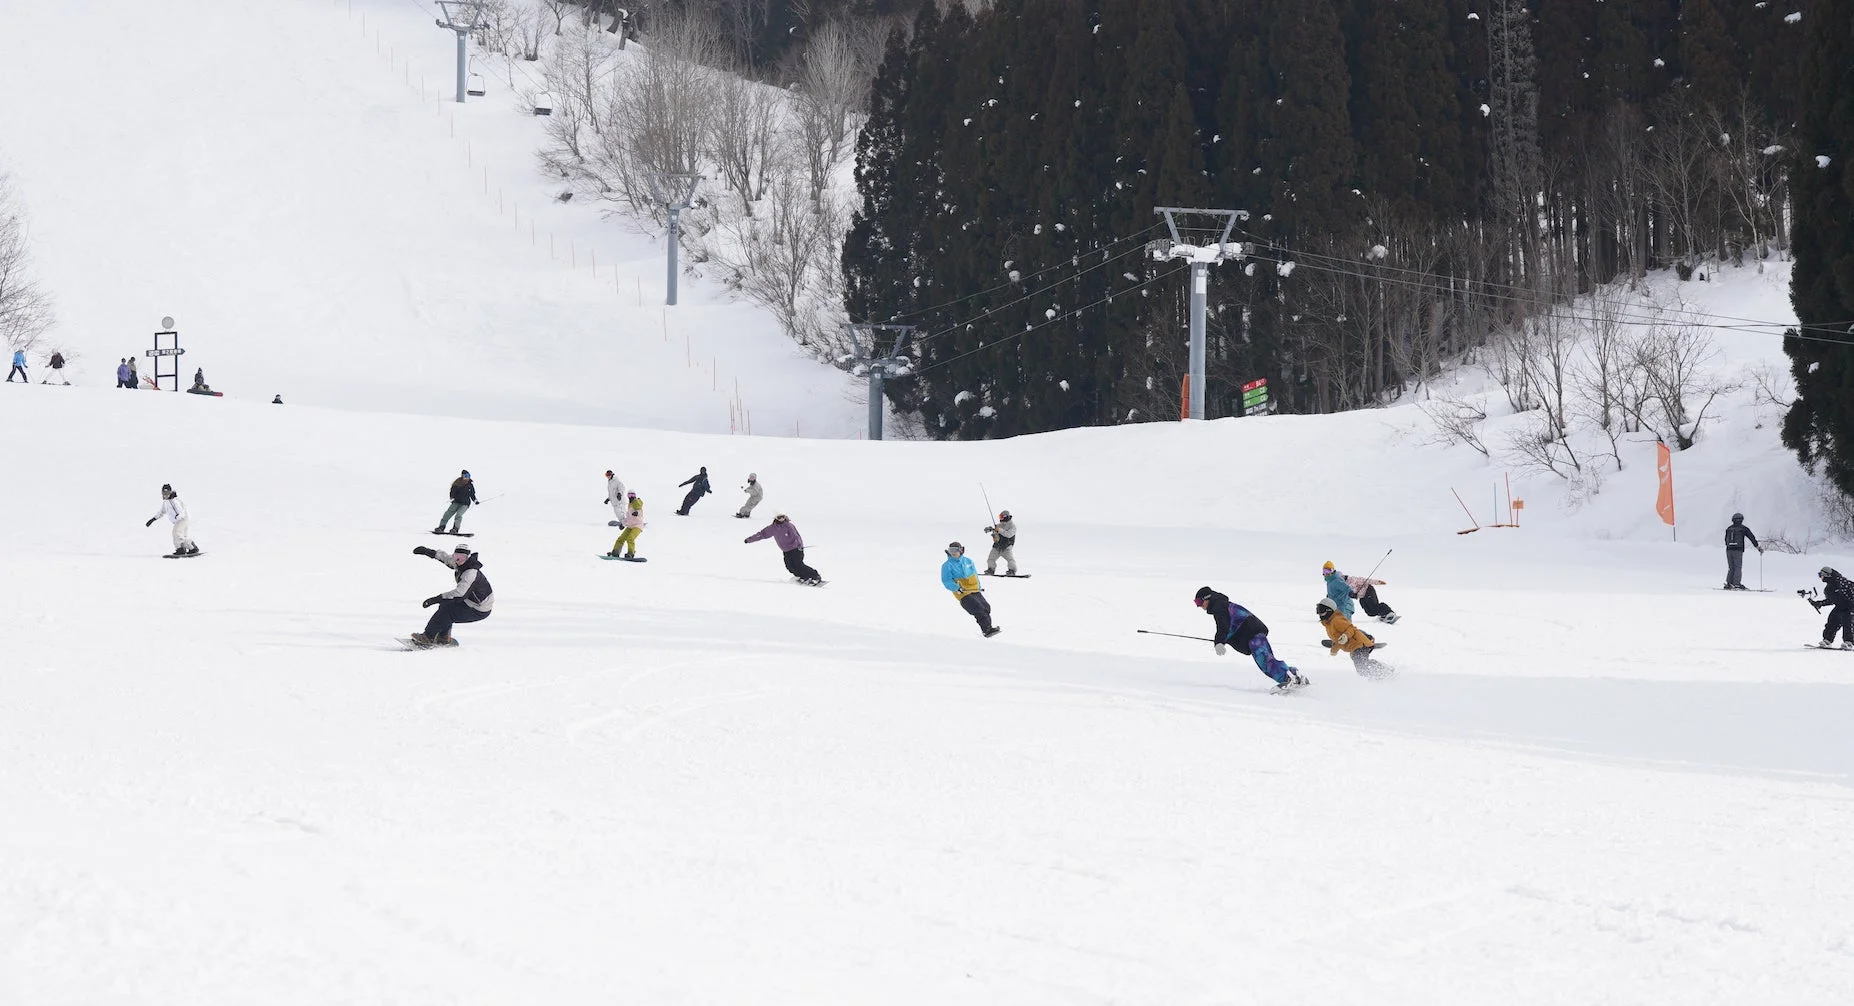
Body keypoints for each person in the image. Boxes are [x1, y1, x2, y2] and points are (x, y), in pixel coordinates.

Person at [1194, 586, 1307, 690]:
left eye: (1199, 602)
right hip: (1255, 634)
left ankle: (1287, 679)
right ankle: (1293, 674)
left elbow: (1223, 626)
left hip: (1253, 636)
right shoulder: (1222, 604)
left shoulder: (1219, 607)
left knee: (1265, 662)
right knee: (1268, 659)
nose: (1199, 606)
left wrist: (1219, 642)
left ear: (1207, 598)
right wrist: (1222, 641)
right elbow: (1229, 626)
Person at [408, 543, 494, 647]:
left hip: (479, 609)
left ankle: (427, 637)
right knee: (445, 607)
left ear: (467, 558)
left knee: (447, 612)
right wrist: (427, 551)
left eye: (462, 557)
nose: (458, 560)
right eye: (456, 556)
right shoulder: (460, 563)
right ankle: (443, 637)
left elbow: (459, 594)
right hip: (470, 601)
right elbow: (444, 557)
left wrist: (435, 599)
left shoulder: (470, 573)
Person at [941, 541, 1002, 637]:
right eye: (951, 550)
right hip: (962, 592)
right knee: (977, 608)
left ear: (961, 550)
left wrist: (978, 586)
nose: (953, 552)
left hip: (974, 589)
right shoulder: (947, 565)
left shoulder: (968, 561)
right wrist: (957, 588)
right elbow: (946, 581)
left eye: (956, 550)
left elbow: (974, 575)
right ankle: (987, 630)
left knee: (986, 607)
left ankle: (990, 627)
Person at [1316, 597, 1388, 675]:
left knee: (1362, 667)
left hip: (1360, 644)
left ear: (1329, 611)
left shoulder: (1337, 620)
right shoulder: (1329, 624)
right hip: (1355, 648)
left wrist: (1346, 636)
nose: (1320, 614)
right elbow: (1338, 640)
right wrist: (1334, 649)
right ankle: (1380, 674)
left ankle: (1384, 672)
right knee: (1362, 668)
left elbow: (1351, 629)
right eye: (1318, 610)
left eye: (1321, 610)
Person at [744, 513, 823, 585]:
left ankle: (815, 576)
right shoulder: (773, 528)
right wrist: (749, 539)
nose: (781, 519)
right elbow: (762, 534)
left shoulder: (788, 525)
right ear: (775, 518)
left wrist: (799, 545)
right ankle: (802, 577)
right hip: (786, 551)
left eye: (783, 517)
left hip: (796, 549)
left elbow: (796, 536)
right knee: (790, 566)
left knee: (798, 564)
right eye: (779, 517)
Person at [143, 483, 199, 556]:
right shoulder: (166, 502)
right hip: (179, 521)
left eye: (167, 493)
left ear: (170, 492)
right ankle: (189, 547)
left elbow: (182, 510)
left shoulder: (174, 501)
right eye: (164, 493)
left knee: (176, 533)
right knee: (180, 537)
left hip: (182, 519)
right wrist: (153, 519)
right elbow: (161, 512)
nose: (165, 495)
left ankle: (182, 549)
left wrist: (178, 516)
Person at [1808, 567, 1854, 649]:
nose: (1820, 577)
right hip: (1840, 606)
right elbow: (1832, 600)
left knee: (1848, 623)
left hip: (1851, 606)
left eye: (1820, 575)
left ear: (1827, 575)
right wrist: (1820, 603)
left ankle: (1849, 642)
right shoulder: (1829, 588)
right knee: (1832, 621)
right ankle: (1827, 640)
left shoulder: (1842, 583)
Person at [1723, 513, 1763, 590]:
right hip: (1738, 550)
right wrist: (1758, 547)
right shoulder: (1743, 528)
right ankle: (1736, 584)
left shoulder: (1729, 528)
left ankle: (1729, 583)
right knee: (1738, 567)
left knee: (1731, 567)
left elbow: (1725, 540)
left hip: (1728, 550)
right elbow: (1752, 538)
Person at [434, 470, 477, 534]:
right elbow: (452, 492)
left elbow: (472, 494)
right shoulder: (457, 483)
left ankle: (455, 529)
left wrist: (475, 500)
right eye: (466, 476)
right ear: (462, 476)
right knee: (447, 514)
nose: (467, 477)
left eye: (468, 476)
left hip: (465, 504)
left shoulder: (470, 485)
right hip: (456, 502)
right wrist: (452, 498)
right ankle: (441, 527)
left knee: (459, 515)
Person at [609, 493, 647, 558]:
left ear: (635, 496)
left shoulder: (638, 504)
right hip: (630, 526)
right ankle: (615, 552)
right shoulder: (630, 506)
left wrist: (637, 513)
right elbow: (628, 518)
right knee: (621, 539)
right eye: (629, 495)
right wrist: (622, 524)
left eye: (632, 495)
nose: (631, 497)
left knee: (630, 538)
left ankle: (631, 553)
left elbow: (639, 511)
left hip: (638, 526)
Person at [984, 510, 1019, 576]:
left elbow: (1008, 534)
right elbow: (995, 533)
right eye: (1000, 517)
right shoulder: (999, 525)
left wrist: (999, 530)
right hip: (997, 547)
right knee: (991, 559)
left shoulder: (1012, 526)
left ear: (1006, 517)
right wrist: (992, 532)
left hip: (1006, 547)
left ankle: (1012, 570)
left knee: (1010, 559)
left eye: (1001, 517)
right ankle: (991, 570)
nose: (1000, 518)